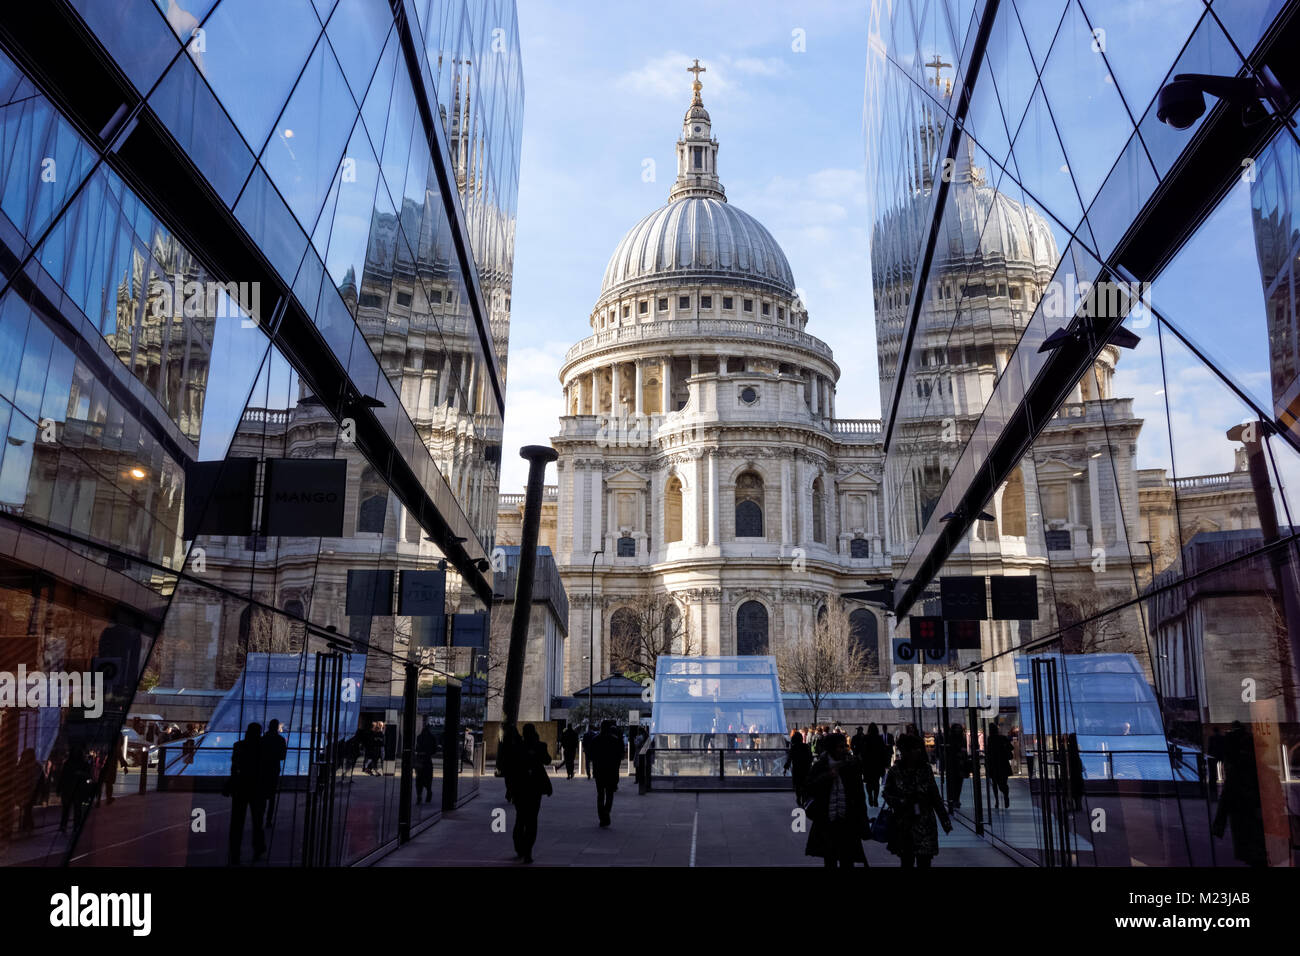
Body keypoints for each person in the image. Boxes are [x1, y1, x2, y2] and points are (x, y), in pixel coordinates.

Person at [883, 734, 951, 867]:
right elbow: (887, 793)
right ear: (905, 751)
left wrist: (944, 819)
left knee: (925, 860)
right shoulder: (895, 771)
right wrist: (899, 802)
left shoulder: (925, 769)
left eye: (919, 748)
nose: (918, 751)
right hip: (904, 823)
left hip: (925, 822)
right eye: (914, 748)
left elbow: (935, 795)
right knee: (906, 860)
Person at [804, 732, 869, 867]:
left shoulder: (851, 765)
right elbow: (809, 788)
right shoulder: (821, 766)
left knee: (847, 859)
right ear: (831, 748)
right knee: (830, 858)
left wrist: (862, 821)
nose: (843, 749)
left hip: (847, 819)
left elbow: (859, 795)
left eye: (844, 746)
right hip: (827, 819)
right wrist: (827, 777)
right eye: (839, 747)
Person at [500, 723, 552, 863]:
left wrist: (510, 788)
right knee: (532, 820)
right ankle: (528, 850)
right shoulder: (541, 745)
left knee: (520, 818)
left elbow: (510, 768)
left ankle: (520, 847)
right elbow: (548, 760)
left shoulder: (517, 747)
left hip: (520, 787)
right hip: (535, 787)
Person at [227, 722, 265, 865]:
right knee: (257, 821)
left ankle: (235, 852)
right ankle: (258, 848)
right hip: (256, 787)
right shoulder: (262, 747)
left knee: (237, 822)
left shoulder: (238, 746)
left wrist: (232, 783)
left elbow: (234, 766)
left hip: (240, 787)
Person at [590, 719, 624, 827]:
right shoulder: (615, 740)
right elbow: (620, 756)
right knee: (609, 793)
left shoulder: (595, 739)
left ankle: (602, 816)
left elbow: (591, 756)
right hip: (611, 770)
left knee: (600, 794)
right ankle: (606, 812)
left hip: (599, 770)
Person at [57, 744, 93, 834]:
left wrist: (59, 788)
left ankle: (65, 825)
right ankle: (74, 826)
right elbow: (88, 775)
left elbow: (62, 777)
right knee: (76, 809)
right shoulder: (82, 764)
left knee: (68, 809)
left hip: (70, 789)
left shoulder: (68, 763)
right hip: (77, 789)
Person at [260, 719, 288, 827]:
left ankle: (260, 817)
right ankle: (268, 820)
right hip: (274, 769)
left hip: (263, 769)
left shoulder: (263, 739)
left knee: (262, 796)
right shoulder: (280, 740)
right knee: (272, 796)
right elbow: (282, 756)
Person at [985, 724, 1012, 808]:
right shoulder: (1003, 738)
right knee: (1003, 783)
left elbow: (988, 752)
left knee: (995, 783)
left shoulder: (990, 739)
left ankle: (997, 801)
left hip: (994, 764)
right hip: (1003, 763)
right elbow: (1011, 747)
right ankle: (1005, 795)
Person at [862, 723, 889, 807]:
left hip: (868, 764)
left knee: (869, 782)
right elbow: (883, 752)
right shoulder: (879, 739)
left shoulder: (865, 738)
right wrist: (885, 764)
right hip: (877, 764)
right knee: (876, 782)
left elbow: (863, 752)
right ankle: (875, 799)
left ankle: (870, 796)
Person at [16, 748, 42, 834]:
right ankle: (27, 825)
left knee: (27, 808)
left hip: (28, 790)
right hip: (25, 789)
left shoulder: (34, 766)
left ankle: (26, 825)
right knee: (27, 808)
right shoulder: (34, 765)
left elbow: (36, 780)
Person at [784, 730, 813, 806]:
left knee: (797, 784)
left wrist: (785, 767)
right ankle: (804, 798)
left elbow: (789, 759)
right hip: (805, 768)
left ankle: (798, 797)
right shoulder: (806, 746)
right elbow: (810, 757)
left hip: (797, 769)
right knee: (804, 784)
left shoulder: (793, 748)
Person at [944, 723, 969, 810]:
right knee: (953, 782)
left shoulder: (962, 738)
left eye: (959, 728)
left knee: (959, 782)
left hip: (960, 763)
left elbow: (964, 750)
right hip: (953, 763)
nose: (958, 730)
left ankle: (956, 799)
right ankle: (953, 799)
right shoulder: (950, 739)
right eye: (956, 728)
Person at [415, 721, 439, 803]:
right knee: (428, 778)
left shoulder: (419, 737)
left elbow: (416, 748)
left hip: (420, 760)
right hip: (427, 760)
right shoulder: (432, 737)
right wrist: (428, 753)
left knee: (419, 778)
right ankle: (428, 791)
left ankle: (419, 795)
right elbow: (435, 750)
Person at [1065, 733, 1085, 811]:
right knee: (1078, 789)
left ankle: (1071, 806)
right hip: (1077, 773)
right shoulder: (1077, 748)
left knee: (1070, 789)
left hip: (1071, 772)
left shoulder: (1068, 748)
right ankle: (1078, 805)